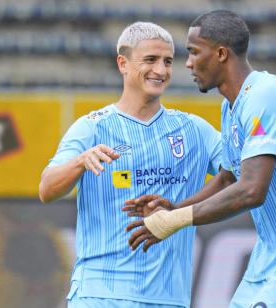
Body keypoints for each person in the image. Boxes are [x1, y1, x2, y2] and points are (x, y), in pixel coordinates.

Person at [126, 10, 276, 308]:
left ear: (220, 53)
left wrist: (175, 220)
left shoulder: (265, 95)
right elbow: (229, 177)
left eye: (194, 52)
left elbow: (251, 191)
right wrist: (177, 206)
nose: (188, 63)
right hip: (272, 258)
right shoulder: (231, 107)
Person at [38, 22, 223, 308]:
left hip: (169, 299)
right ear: (122, 64)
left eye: (167, 61)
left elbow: (245, 171)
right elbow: (47, 189)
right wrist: (79, 163)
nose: (160, 71)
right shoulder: (92, 128)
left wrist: (275, 105)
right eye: (150, 60)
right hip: (100, 296)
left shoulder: (193, 130)